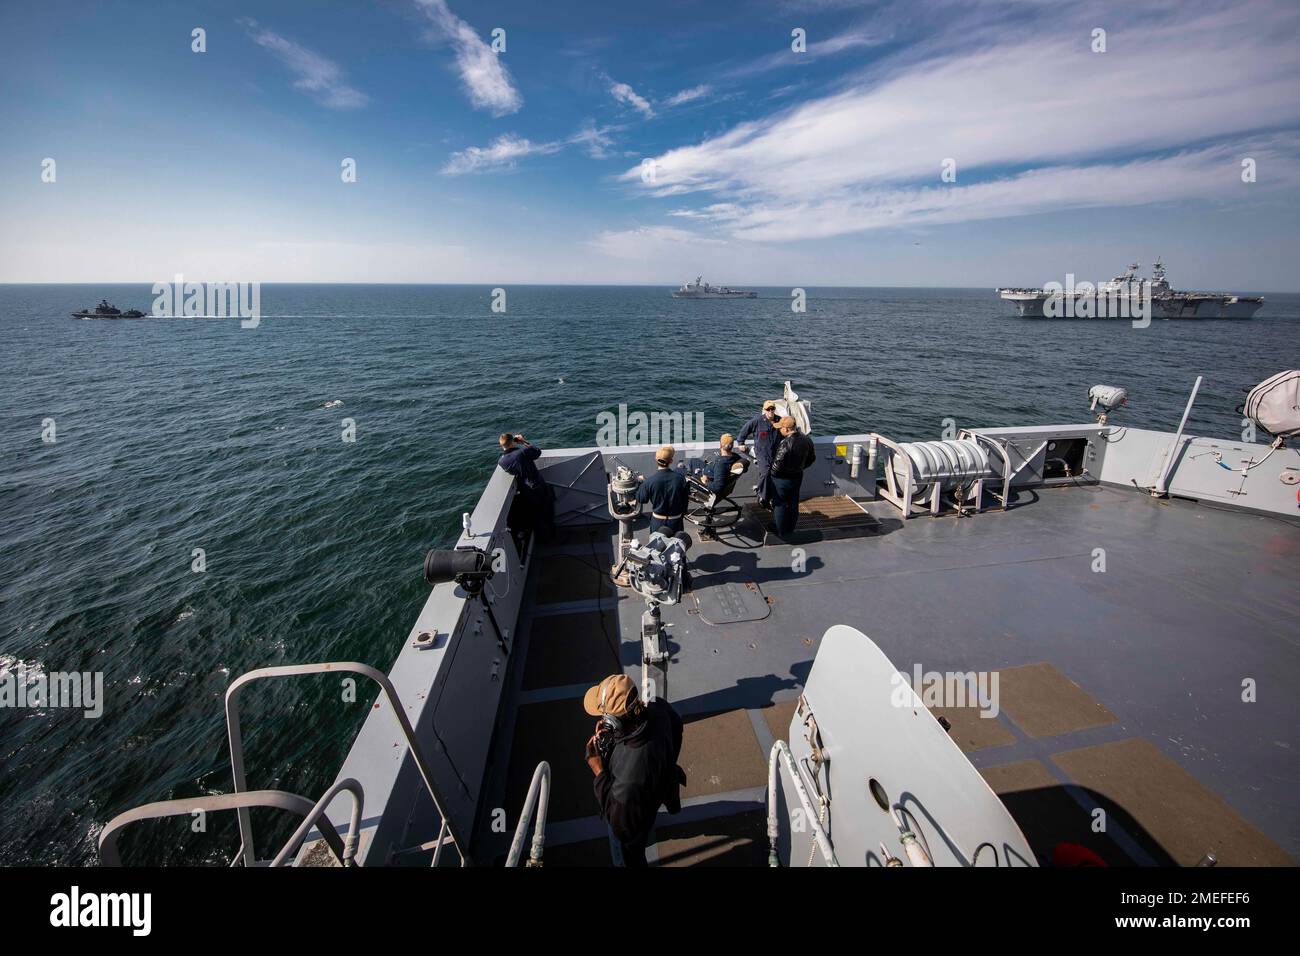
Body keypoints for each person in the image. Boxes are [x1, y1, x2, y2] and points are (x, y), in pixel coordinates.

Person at [583, 674, 684, 867]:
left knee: (632, 852)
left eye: (604, 716)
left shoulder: (628, 777)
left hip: (636, 817)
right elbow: (677, 726)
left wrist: (599, 771)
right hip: (661, 784)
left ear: (613, 721)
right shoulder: (657, 706)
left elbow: (621, 827)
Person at [497, 432, 554, 543]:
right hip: (538, 487)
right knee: (547, 511)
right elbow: (537, 452)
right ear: (512, 442)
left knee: (536, 515)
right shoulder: (522, 452)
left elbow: (512, 470)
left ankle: (542, 539)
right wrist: (523, 441)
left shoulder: (502, 461)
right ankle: (552, 537)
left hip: (526, 492)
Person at [768, 416, 817, 537]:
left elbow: (777, 464)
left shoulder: (785, 443)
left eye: (781, 428)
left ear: (786, 429)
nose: (779, 430)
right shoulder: (807, 440)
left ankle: (779, 530)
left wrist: (773, 474)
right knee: (793, 503)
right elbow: (812, 459)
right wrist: (800, 468)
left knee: (780, 504)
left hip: (782, 479)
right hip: (797, 476)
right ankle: (790, 528)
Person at [736, 400, 780, 507]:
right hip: (761, 452)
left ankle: (771, 496)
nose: (770, 411)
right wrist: (741, 443)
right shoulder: (757, 421)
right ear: (763, 410)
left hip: (776, 452)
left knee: (775, 475)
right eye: (768, 409)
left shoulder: (780, 420)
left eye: (772, 409)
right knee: (765, 473)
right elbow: (744, 431)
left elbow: (787, 431)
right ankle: (763, 497)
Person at [636, 445, 688, 535]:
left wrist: (642, 483)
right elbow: (685, 502)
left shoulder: (650, 481)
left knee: (657, 547)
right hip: (676, 522)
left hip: (657, 522)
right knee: (676, 547)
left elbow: (641, 499)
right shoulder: (681, 479)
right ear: (671, 461)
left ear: (656, 460)